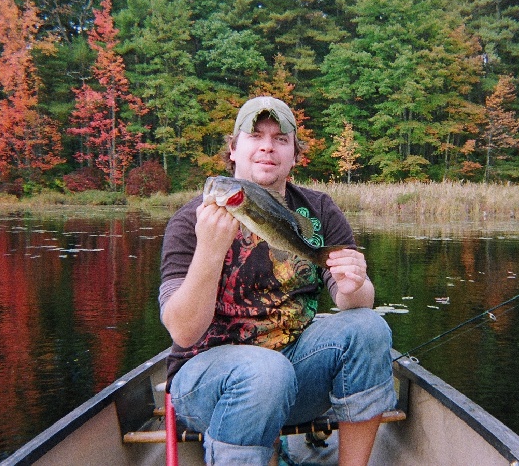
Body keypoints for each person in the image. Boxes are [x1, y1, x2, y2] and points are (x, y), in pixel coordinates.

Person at [159, 95, 396, 465]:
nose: (268, 146)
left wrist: (355, 286)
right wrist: (209, 250)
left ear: (294, 155)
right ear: (234, 150)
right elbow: (183, 332)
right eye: (256, 136)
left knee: (368, 328)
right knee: (265, 372)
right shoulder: (190, 221)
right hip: (208, 382)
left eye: (281, 139)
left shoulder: (317, 210)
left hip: (296, 375)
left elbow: (355, 301)